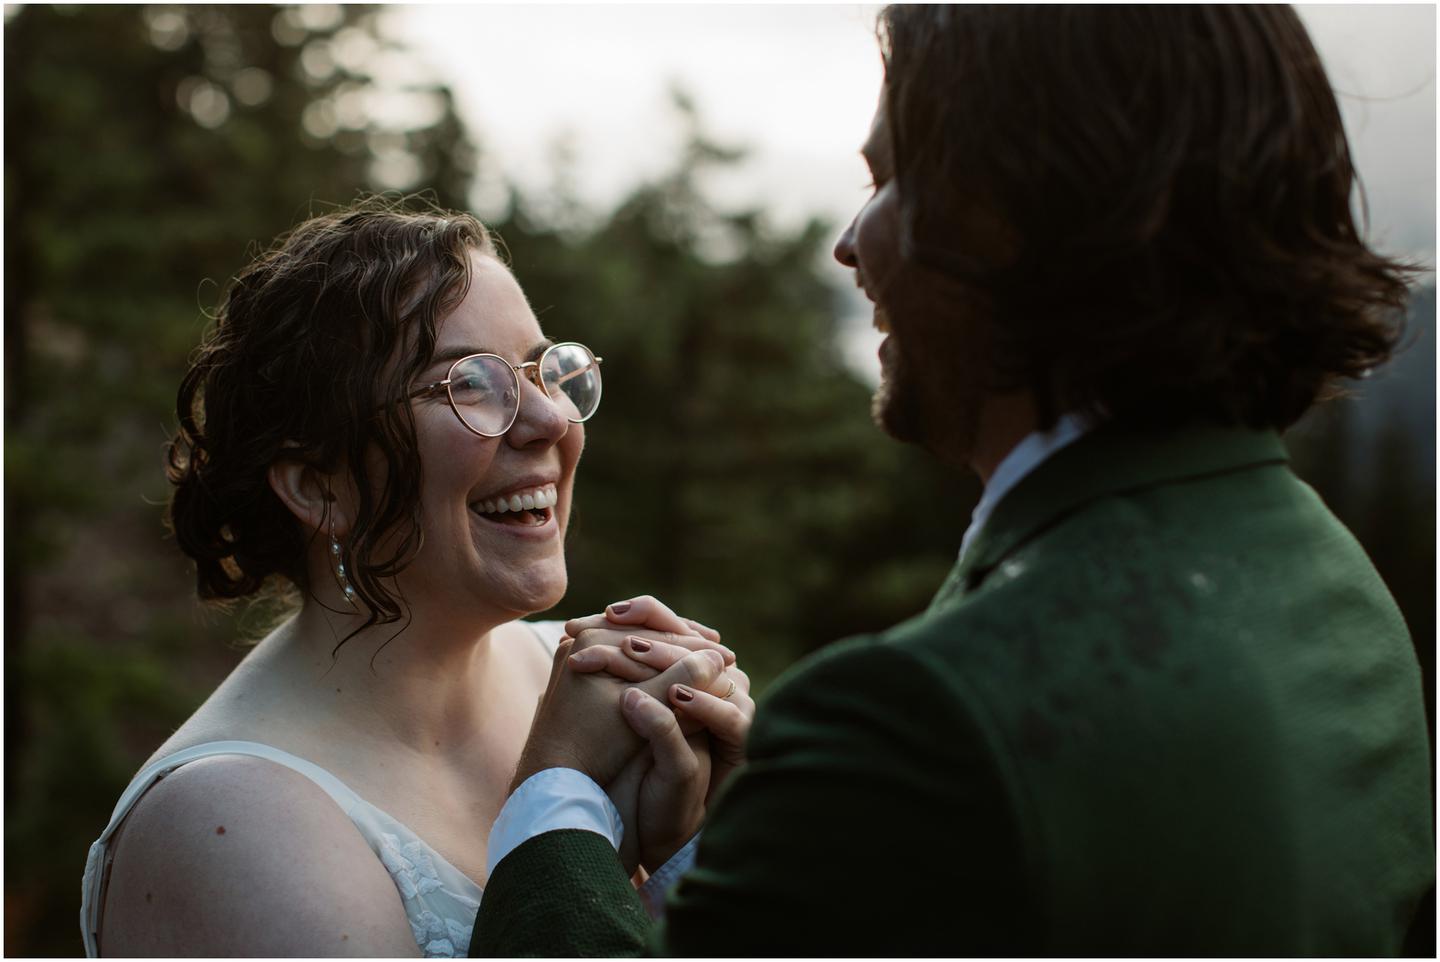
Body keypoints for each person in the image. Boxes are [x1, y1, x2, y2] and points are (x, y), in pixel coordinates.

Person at [470, 6, 1434, 956]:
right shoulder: (1340, 589)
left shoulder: (921, 726)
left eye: (887, 181)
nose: (851, 244)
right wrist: (757, 862)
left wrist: (556, 800)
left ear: (1011, 215)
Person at [77, 201, 750, 957]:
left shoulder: (587, 687)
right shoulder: (222, 824)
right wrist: (559, 800)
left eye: (544, 369)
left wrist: (699, 850)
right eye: (468, 385)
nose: (550, 420)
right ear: (318, 486)